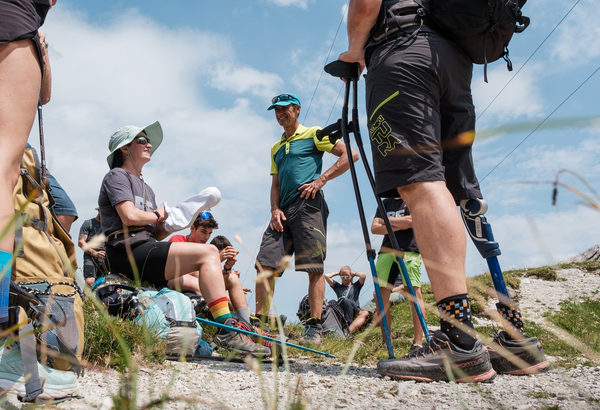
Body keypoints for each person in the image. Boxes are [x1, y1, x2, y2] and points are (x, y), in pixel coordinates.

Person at [339, 0, 547, 381]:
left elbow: (366, 4)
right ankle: (517, 339)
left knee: (420, 184)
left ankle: (460, 343)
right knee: (462, 191)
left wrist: (354, 52)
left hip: (401, 51)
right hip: (453, 60)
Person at [98, 121, 268, 356]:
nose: (149, 144)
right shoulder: (117, 176)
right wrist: (159, 214)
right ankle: (229, 331)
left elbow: (153, 234)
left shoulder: (147, 188)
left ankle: (233, 327)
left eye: (148, 141)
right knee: (208, 253)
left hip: (144, 248)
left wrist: (175, 223)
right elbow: (128, 216)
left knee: (206, 256)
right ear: (124, 149)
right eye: (142, 140)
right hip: (124, 251)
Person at [255, 92, 358, 346]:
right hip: (282, 212)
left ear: (297, 109)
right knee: (265, 264)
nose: (280, 114)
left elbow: (350, 155)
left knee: (313, 268)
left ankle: (314, 327)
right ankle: (260, 325)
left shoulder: (314, 134)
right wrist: (274, 209)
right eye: (276, 111)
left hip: (308, 206)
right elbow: (276, 183)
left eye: (285, 109)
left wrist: (322, 179)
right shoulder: (276, 147)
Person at [168, 215, 252, 325]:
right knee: (208, 287)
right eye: (203, 231)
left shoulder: (205, 249)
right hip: (178, 278)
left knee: (232, 277)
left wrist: (227, 267)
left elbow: (206, 274)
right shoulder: (178, 240)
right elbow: (181, 269)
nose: (206, 237)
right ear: (192, 228)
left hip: (196, 282)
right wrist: (218, 259)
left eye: (209, 233)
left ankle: (247, 322)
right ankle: (231, 321)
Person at [371, 197, 425, 349]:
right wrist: (402, 223)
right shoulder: (385, 203)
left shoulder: (412, 197)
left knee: (414, 293)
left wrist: (387, 223)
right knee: (379, 296)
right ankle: (386, 342)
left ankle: (418, 343)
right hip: (386, 251)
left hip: (409, 250)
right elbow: (375, 228)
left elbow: (413, 221)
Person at [78, 209, 108, 287]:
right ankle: (85, 299)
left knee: (104, 283)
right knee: (89, 282)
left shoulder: (109, 226)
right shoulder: (88, 223)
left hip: (104, 257)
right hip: (90, 256)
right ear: (99, 211)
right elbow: (81, 242)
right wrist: (94, 253)